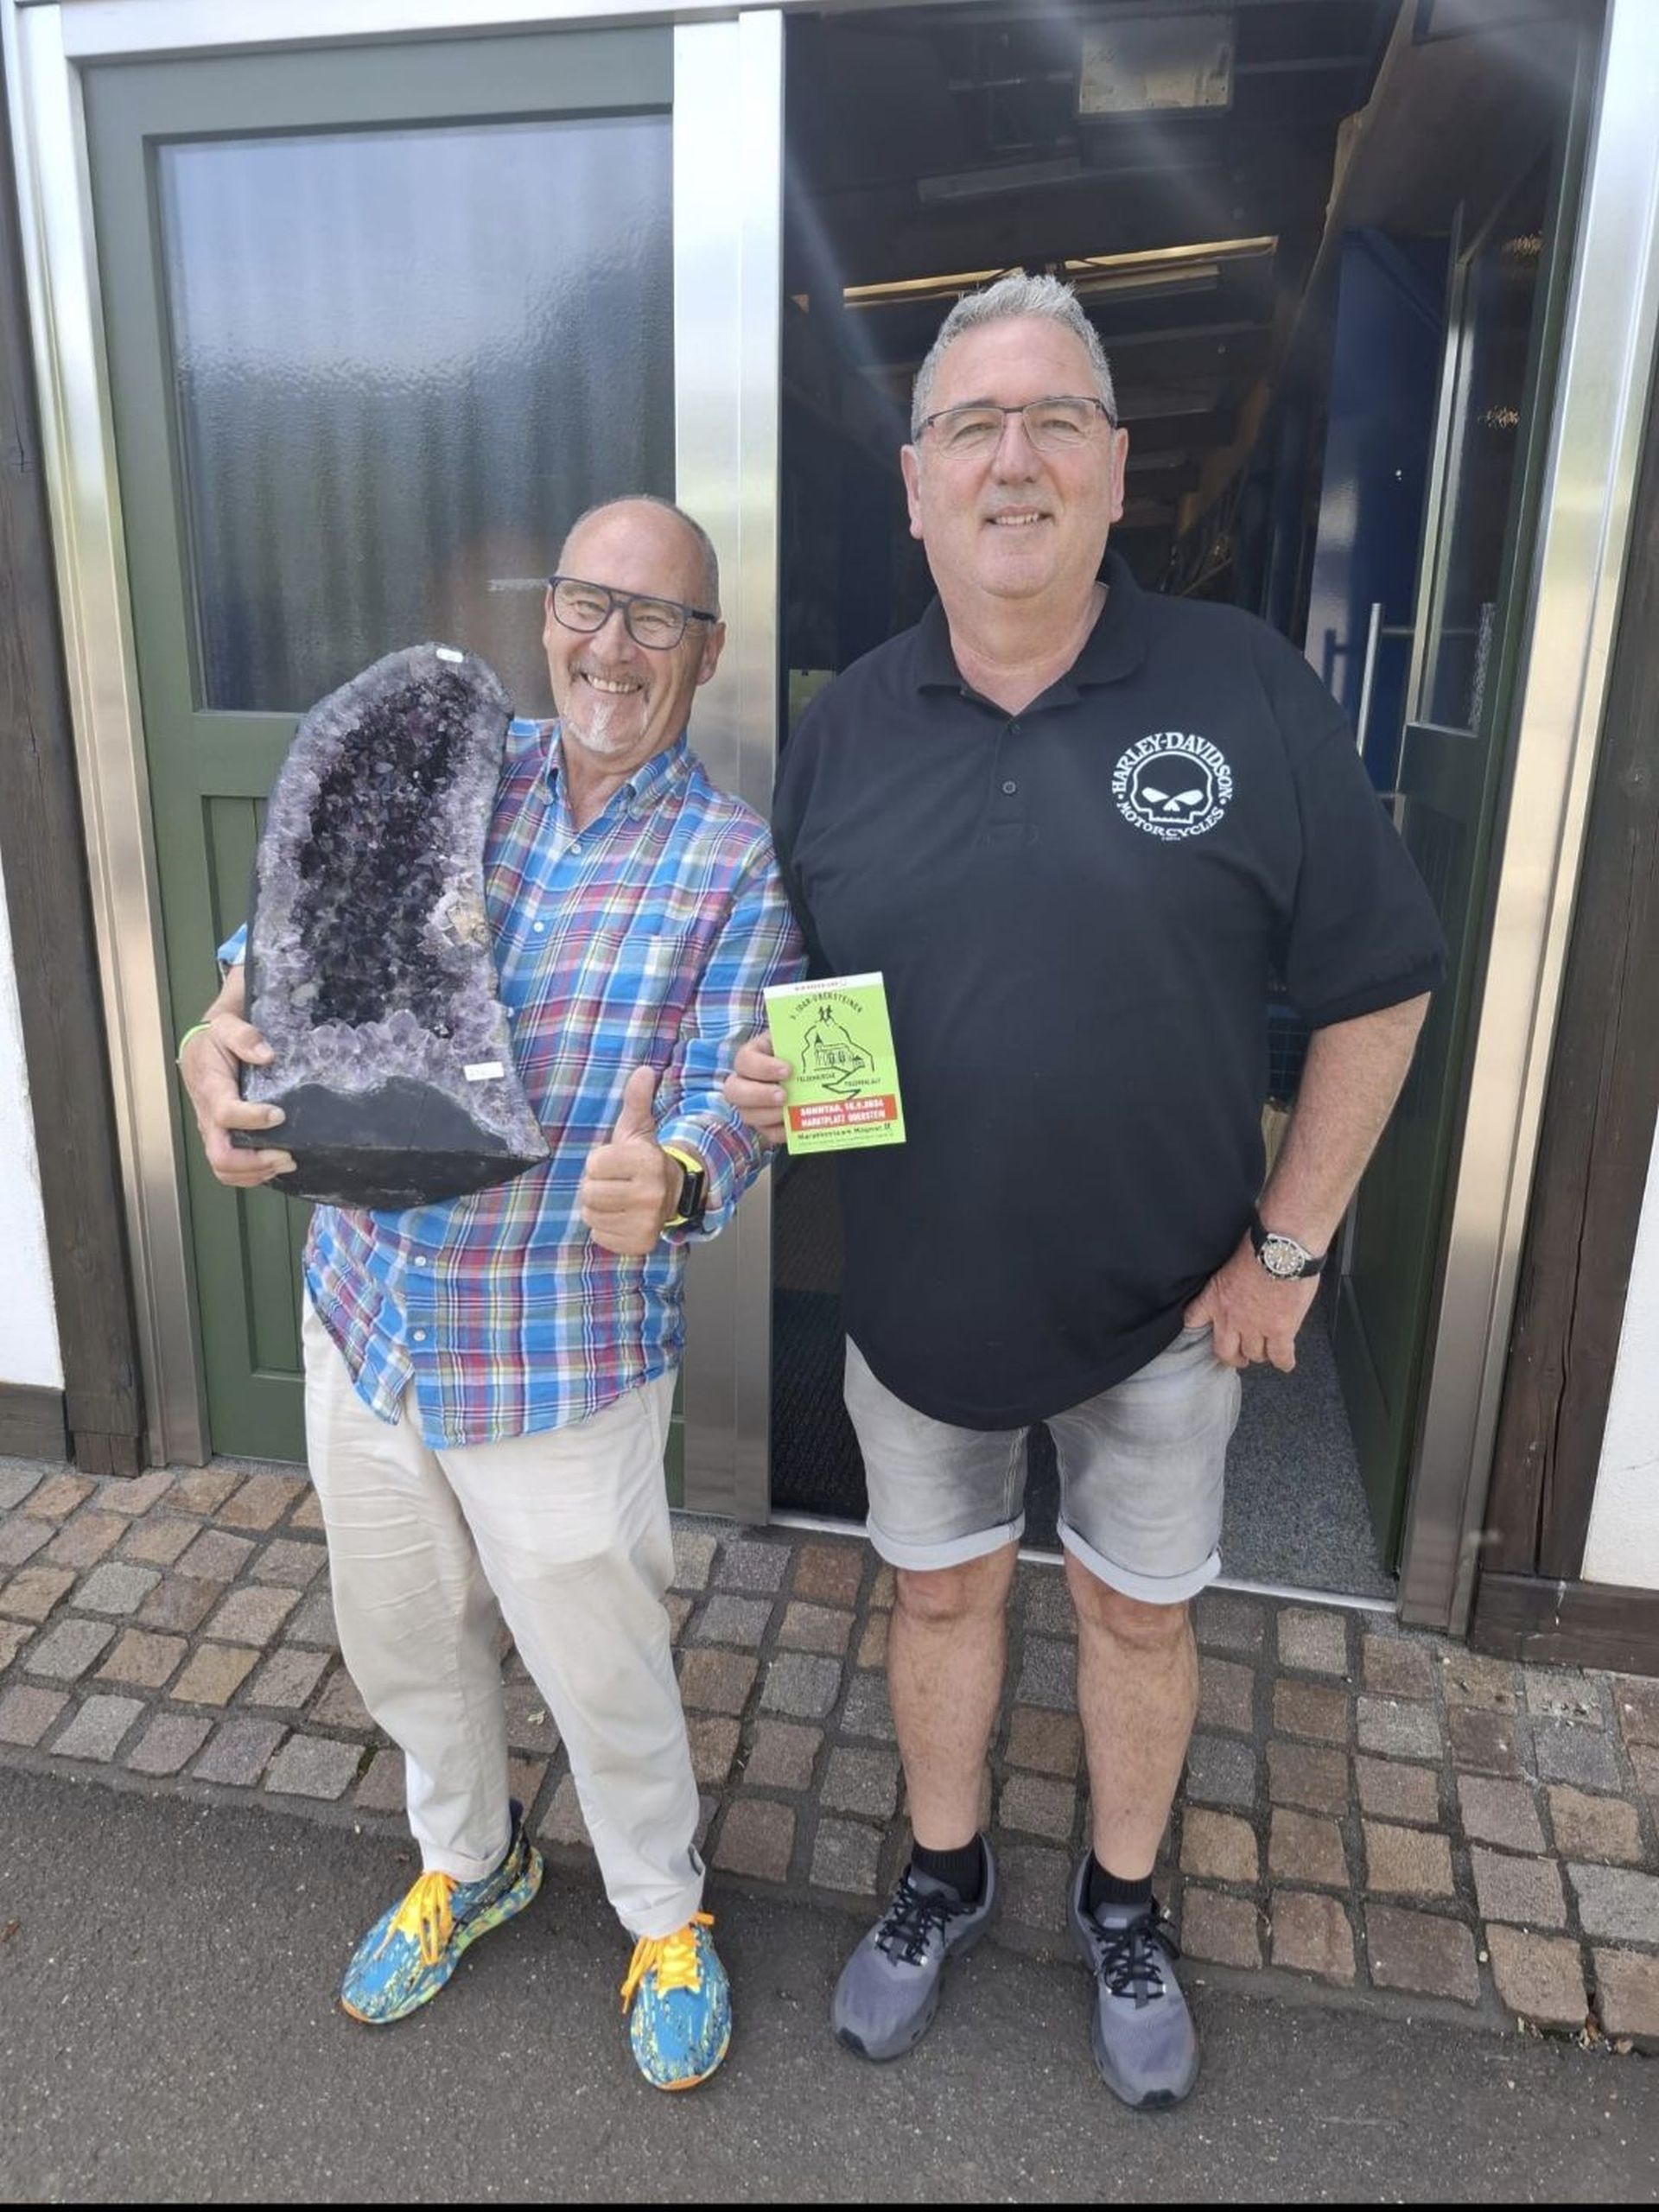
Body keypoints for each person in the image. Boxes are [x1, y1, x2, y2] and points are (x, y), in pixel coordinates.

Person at [725, 274, 1446, 2109]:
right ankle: (943, 1872)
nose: (1014, 459)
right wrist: (777, 1099)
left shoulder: (1242, 688)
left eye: (1055, 421)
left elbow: (1379, 982)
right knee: (940, 1602)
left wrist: (1288, 1247)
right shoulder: (845, 728)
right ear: (915, 485)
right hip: (920, 1306)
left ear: (1118, 472)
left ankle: (1125, 1903)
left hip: (1169, 1313)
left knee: (1137, 1615)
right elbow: (804, 999)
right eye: (972, 425)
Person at [180, 496, 804, 2090]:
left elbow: (747, 1095)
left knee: (606, 1675)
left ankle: (662, 1912)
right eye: (590, 604)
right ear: (548, 617)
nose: (615, 648)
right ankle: (472, 1862)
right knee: (402, 1642)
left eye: (657, 620)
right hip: (372, 1319)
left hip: (561, 1354)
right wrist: (216, 1029)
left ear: (706, 653)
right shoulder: (447, 768)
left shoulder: (730, 867)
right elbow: (286, 942)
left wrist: (677, 1178)